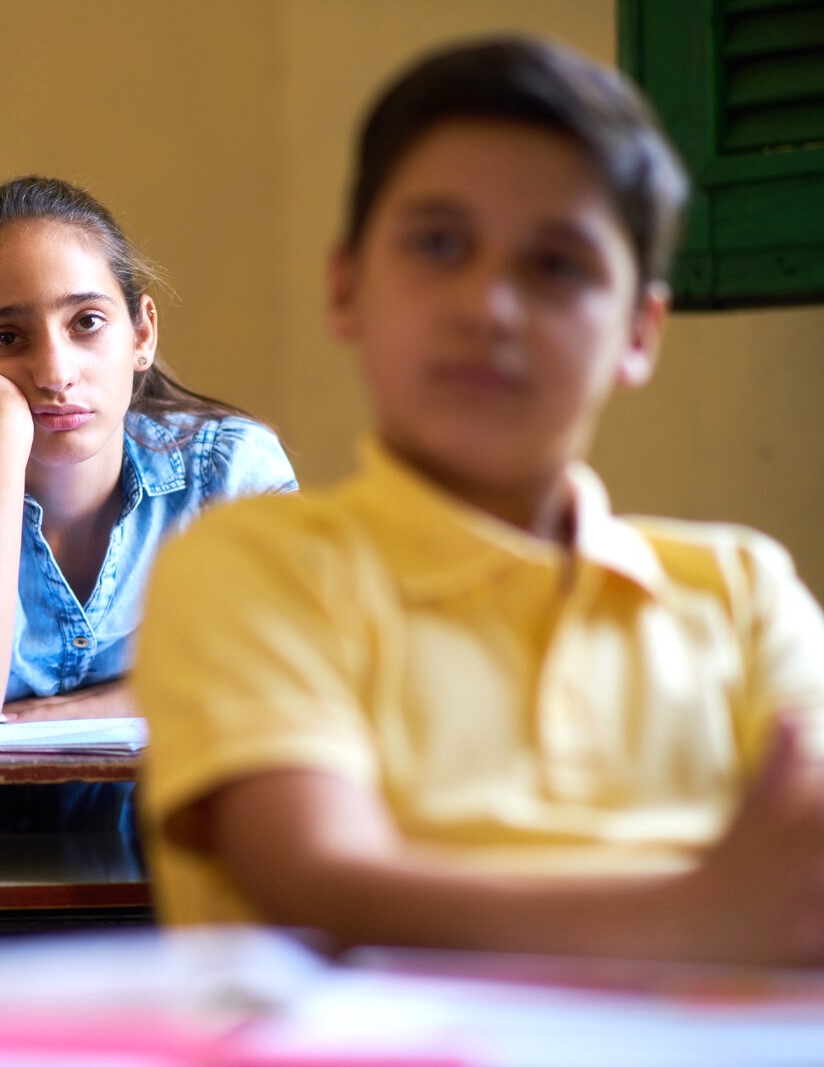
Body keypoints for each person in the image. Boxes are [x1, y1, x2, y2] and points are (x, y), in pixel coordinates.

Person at [134, 37, 824, 966]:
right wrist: (692, 919)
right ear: (346, 287)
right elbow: (318, 878)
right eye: (439, 244)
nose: (490, 305)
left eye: (558, 265)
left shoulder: (741, 592)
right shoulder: (254, 567)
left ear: (638, 331)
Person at [0, 176, 295, 836]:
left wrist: (66, 713)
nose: (55, 371)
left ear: (141, 333)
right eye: (8, 337)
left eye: (86, 322)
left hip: (156, 856)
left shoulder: (231, 470)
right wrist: (3, 432)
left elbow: (278, 677)